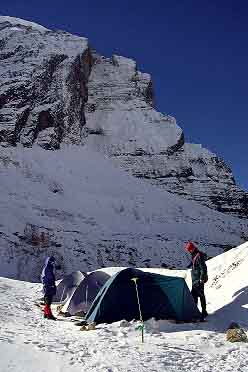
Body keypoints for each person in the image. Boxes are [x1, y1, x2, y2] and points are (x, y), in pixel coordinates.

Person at [185, 241, 208, 321]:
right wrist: (189, 265)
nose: (189, 251)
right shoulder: (195, 255)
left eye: (189, 250)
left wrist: (201, 278)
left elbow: (203, 267)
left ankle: (203, 312)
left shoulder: (199, 255)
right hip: (195, 279)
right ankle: (198, 312)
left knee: (200, 295)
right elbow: (194, 262)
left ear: (192, 249)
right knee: (195, 296)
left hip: (198, 279)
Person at [41, 256, 57, 320]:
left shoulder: (47, 267)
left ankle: (45, 313)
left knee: (47, 300)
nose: (53, 263)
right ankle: (49, 315)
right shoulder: (48, 268)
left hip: (47, 286)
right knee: (48, 301)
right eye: (52, 262)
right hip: (49, 286)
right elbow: (48, 278)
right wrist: (51, 285)